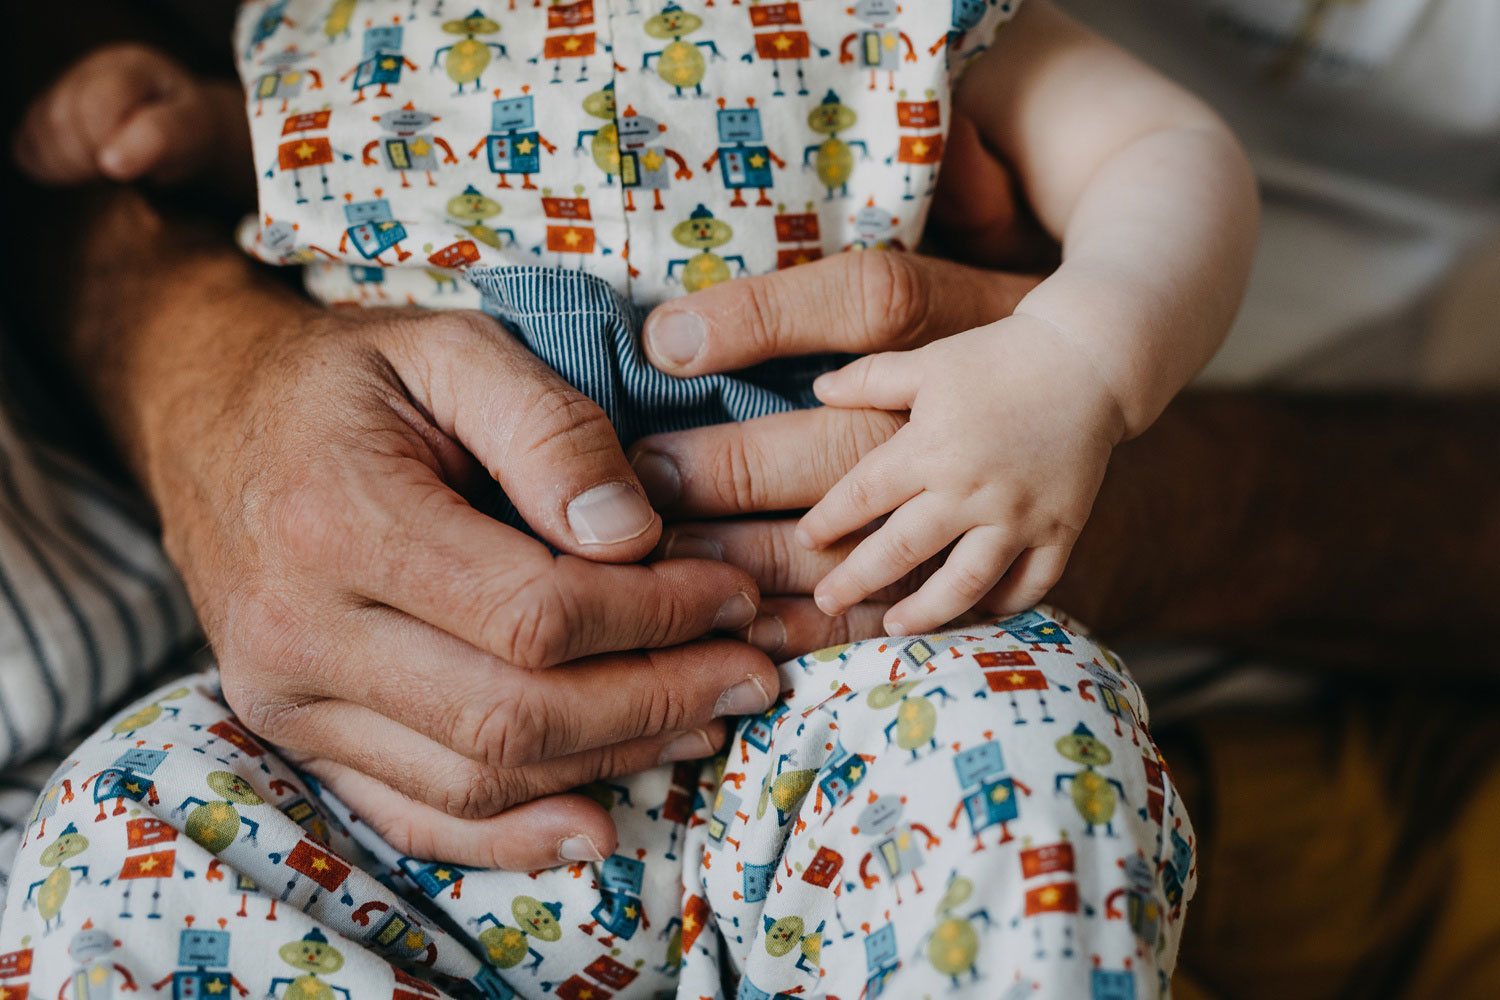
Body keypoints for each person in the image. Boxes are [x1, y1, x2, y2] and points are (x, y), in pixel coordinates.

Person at [3, 2, 1494, 999]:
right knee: (123, 828)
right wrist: (194, 128)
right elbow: (308, 156)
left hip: (860, 676)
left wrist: (1074, 360)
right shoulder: (371, 26)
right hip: (417, 756)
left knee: (1023, 768)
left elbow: (1166, 156)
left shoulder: (906, 21)